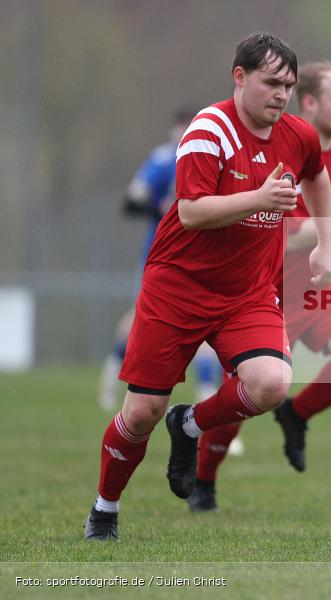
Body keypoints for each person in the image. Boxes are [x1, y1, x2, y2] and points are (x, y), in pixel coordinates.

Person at [83, 32, 331, 541]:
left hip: (247, 292)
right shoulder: (209, 128)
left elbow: (317, 176)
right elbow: (192, 211)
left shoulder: (297, 134)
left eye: (288, 85)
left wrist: (327, 244)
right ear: (239, 77)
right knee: (141, 413)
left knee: (270, 383)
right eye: (271, 83)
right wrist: (258, 196)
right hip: (177, 287)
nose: (281, 95)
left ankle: (191, 425)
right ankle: (104, 508)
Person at [186, 60, 331, 512]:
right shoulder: (284, 148)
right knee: (241, 400)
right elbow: (288, 233)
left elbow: (324, 215)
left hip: (318, 288)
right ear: (312, 102)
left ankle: (296, 414)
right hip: (267, 292)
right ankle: (203, 481)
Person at [97, 110, 230, 452]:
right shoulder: (164, 158)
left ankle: (203, 411)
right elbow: (130, 202)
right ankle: (112, 373)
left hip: (206, 259)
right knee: (137, 320)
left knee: (205, 328)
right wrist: (161, 206)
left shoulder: (219, 154)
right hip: (163, 258)